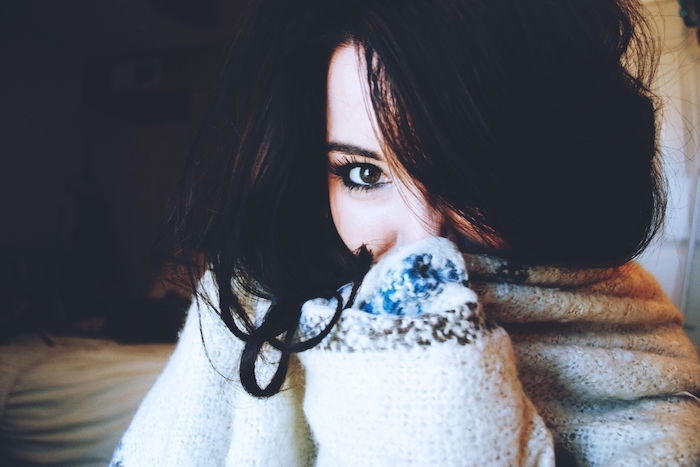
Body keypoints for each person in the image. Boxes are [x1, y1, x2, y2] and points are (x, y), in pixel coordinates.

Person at [110, 0, 700, 465]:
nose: (423, 241)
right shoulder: (247, 304)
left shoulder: (623, 333)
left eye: (470, 178)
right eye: (364, 174)